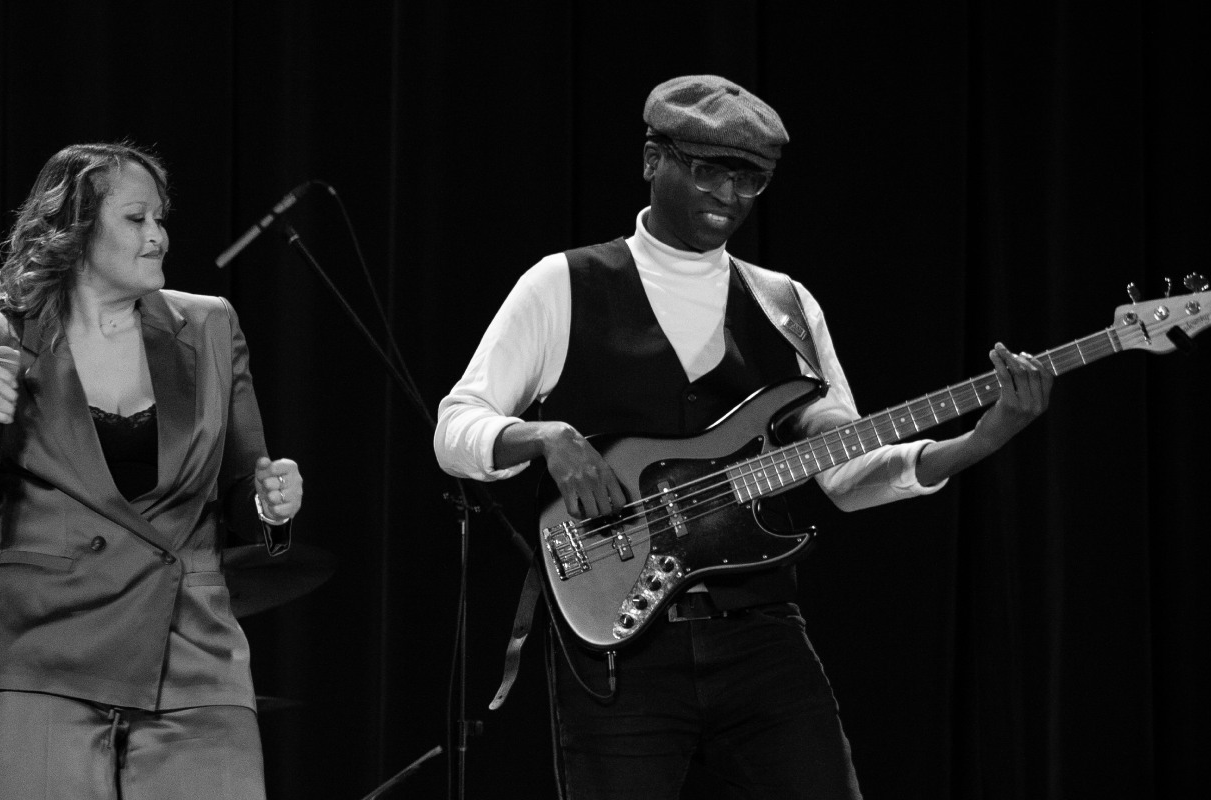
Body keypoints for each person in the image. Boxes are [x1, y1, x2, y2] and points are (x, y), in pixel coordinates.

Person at [432, 76, 1055, 798]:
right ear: (650, 159)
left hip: (760, 632)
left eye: (751, 180)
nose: (729, 196)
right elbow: (456, 426)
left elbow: (848, 472)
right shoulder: (562, 284)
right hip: (618, 646)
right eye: (708, 170)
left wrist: (986, 435)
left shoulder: (786, 303)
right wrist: (545, 437)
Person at [0, 142, 303, 800]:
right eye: (135, 219)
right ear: (75, 229)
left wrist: (270, 505)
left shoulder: (209, 326)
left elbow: (242, 484)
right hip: (37, 659)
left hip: (193, 660)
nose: (158, 235)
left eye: (161, 217)